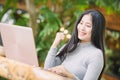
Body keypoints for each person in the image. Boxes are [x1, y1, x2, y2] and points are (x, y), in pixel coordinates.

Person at [44, 9, 106, 80]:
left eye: (88, 26)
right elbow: (47, 69)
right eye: (81, 23)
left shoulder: (96, 55)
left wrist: (71, 76)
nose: (82, 28)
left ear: (96, 30)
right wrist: (55, 44)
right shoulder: (71, 46)